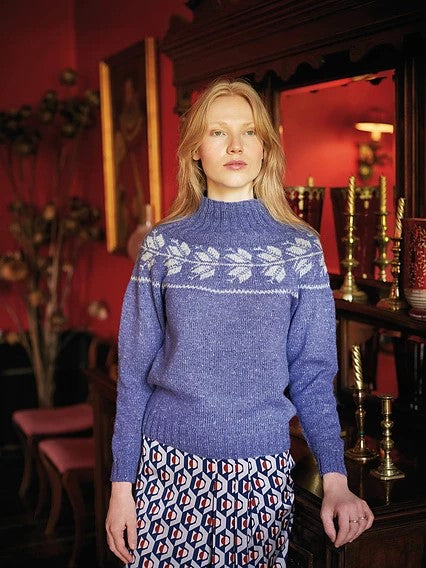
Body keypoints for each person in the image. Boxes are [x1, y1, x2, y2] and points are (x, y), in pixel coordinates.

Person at [106, 78, 374, 567]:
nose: (235, 145)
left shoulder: (299, 249)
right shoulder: (163, 247)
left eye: (249, 132)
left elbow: (312, 377)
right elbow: (135, 375)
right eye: (218, 132)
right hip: (164, 468)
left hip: (259, 477)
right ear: (195, 150)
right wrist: (121, 486)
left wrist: (336, 480)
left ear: (265, 147)